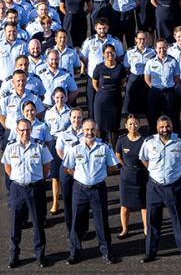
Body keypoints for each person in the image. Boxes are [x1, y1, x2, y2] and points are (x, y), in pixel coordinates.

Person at [63, 119, 120, 265]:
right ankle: (75, 252)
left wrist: (99, 175)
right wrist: (81, 177)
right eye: (87, 130)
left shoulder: (104, 147)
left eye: (92, 130)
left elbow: (113, 166)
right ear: (82, 130)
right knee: (76, 221)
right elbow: (68, 167)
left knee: (101, 221)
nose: (89, 132)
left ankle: (106, 251)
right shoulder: (75, 148)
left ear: (97, 131)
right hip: (79, 189)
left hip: (98, 189)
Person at [138, 116, 181, 263]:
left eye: (167, 126)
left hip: (173, 186)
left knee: (178, 221)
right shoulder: (149, 142)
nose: (165, 129)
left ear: (172, 126)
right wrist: (154, 171)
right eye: (162, 127)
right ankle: (150, 253)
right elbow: (144, 159)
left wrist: (177, 172)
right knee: (152, 222)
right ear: (157, 128)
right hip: (154, 187)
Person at [1, 118, 53, 269]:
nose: (25, 133)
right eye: (22, 130)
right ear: (17, 131)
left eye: (28, 130)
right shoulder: (11, 147)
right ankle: (14, 255)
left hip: (34, 188)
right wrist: (18, 180)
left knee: (37, 223)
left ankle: (40, 255)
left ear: (31, 130)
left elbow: (46, 166)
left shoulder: (39, 145)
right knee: (15, 223)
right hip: (17, 188)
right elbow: (7, 167)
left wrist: (36, 180)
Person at [79, 18, 125, 120]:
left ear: (108, 28)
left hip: (110, 80)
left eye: (104, 28)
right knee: (91, 106)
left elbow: (121, 56)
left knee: (110, 106)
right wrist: (89, 66)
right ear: (95, 28)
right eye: (99, 28)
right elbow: (82, 55)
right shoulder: (89, 41)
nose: (102, 31)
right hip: (93, 79)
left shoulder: (115, 41)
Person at [115, 115, 148, 239]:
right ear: (126, 126)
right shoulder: (122, 140)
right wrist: (126, 167)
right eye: (130, 124)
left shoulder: (144, 140)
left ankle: (146, 228)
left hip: (141, 175)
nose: (133, 126)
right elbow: (118, 155)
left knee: (144, 205)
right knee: (125, 206)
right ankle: (124, 229)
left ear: (139, 124)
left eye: (135, 124)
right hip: (126, 177)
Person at [0, 70, 44, 151]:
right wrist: (9, 128)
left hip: (28, 133)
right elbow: (1, 116)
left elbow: (39, 114)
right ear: (13, 82)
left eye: (23, 80)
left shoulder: (34, 97)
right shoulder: (7, 98)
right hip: (11, 132)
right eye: (18, 81)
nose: (21, 83)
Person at [56, 108, 84, 236]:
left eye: (79, 117)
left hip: (83, 170)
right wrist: (69, 163)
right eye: (74, 117)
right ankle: (70, 230)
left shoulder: (87, 133)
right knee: (67, 200)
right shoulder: (63, 134)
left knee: (82, 201)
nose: (76, 120)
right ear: (70, 118)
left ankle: (82, 228)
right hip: (67, 170)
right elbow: (59, 151)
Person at [91, 44, 128, 145]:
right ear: (103, 54)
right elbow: (94, 83)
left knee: (115, 127)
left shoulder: (121, 67)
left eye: (112, 52)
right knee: (100, 127)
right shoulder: (99, 68)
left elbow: (122, 82)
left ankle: (115, 151)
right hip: (101, 102)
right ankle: (101, 148)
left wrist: (112, 91)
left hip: (115, 100)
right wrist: (103, 92)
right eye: (107, 52)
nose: (110, 54)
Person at [144, 39, 181, 134]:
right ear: (155, 49)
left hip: (169, 92)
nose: (162, 50)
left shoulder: (172, 61)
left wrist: (169, 86)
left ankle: (173, 136)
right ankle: (153, 137)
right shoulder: (150, 61)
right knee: (153, 117)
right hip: (155, 92)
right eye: (159, 48)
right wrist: (154, 87)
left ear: (167, 48)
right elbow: (147, 78)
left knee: (172, 116)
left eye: (164, 47)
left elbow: (176, 77)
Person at [44, 87, 71, 215]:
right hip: (54, 142)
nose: (60, 100)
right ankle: (55, 201)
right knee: (55, 175)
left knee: (68, 172)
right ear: (53, 98)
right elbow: (46, 130)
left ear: (66, 97)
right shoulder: (49, 113)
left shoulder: (70, 112)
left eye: (62, 97)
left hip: (66, 143)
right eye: (57, 97)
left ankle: (68, 200)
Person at [122, 31, 156, 116]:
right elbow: (126, 67)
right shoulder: (130, 52)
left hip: (146, 78)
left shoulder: (152, 52)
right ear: (136, 39)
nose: (142, 41)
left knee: (148, 104)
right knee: (131, 102)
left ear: (146, 40)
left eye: (144, 39)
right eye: (140, 39)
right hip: (134, 77)